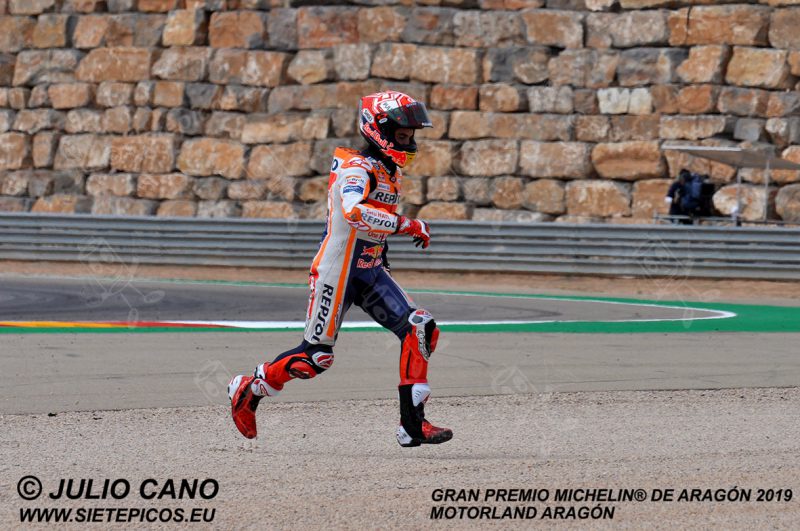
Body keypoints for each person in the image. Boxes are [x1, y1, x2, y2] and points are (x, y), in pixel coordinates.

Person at [227, 90, 453, 448]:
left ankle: (412, 425)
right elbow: (354, 211)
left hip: (369, 270)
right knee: (315, 359)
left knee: (420, 328)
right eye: (403, 135)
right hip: (337, 271)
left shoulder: (388, 168)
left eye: (412, 135)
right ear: (377, 129)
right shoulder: (357, 167)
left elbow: (373, 227)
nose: (410, 142)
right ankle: (250, 387)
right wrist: (408, 225)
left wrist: (383, 256)